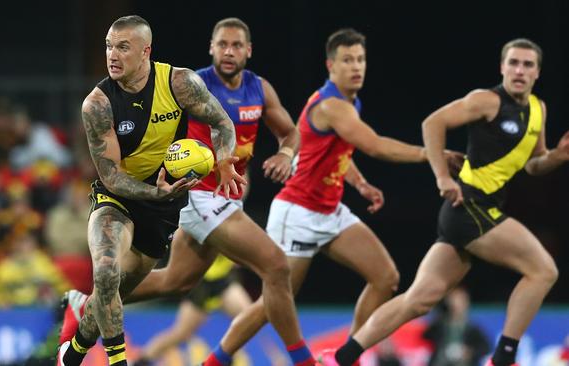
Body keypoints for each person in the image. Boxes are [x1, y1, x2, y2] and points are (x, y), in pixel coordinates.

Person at [59, 17, 318, 366]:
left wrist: (230, 160)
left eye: (122, 46)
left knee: (169, 283)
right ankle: (301, 360)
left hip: (173, 202)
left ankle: (79, 326)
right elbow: (112, 177)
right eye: (108, 45)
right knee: (275, 267)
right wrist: (161, 192)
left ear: (145, 51)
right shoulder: (100, 104)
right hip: (154, 196)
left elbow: (233, 125)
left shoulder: (217, 85)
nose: (112, 54)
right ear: (211, 47)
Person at [203, 28, 464, 366]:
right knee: (273, 304)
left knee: (386, 277)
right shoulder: (331, 105)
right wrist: (432, 153)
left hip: (329, 210)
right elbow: (375, 145)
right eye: (347, 61)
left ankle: (345, 357)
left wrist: (360, 183)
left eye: (360, 60)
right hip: (296, 213)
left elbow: (337, 149)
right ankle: (214, 362)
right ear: (331, 66)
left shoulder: (350, 103)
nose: (356, 67)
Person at [337, 38, 568, 366]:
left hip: (468, 214)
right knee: (543, 270)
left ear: (537, 73)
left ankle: (341, 357)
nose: (520, 70)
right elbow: (432, 123)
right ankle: (503, 358)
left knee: (418, 300)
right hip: (470, 206)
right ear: (502, 67)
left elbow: (533, 164)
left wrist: (557, 157)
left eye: (527, 65)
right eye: (513, 63)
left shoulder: (537, 110)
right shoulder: (486, 101)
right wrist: (442, 177)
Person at [132, 255, 251, 365]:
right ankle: (141, 361)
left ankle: (226, 357)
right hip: (201, 282)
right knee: (181, 333)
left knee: (248, 317)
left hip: (223, 280)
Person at [423, 287, 490, 366]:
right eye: (454, 299)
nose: (457, 303)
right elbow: (425, 338)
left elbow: (485, 347)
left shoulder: (473, 328)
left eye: (461, 300)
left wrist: (470, 352)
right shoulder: (439, 324)